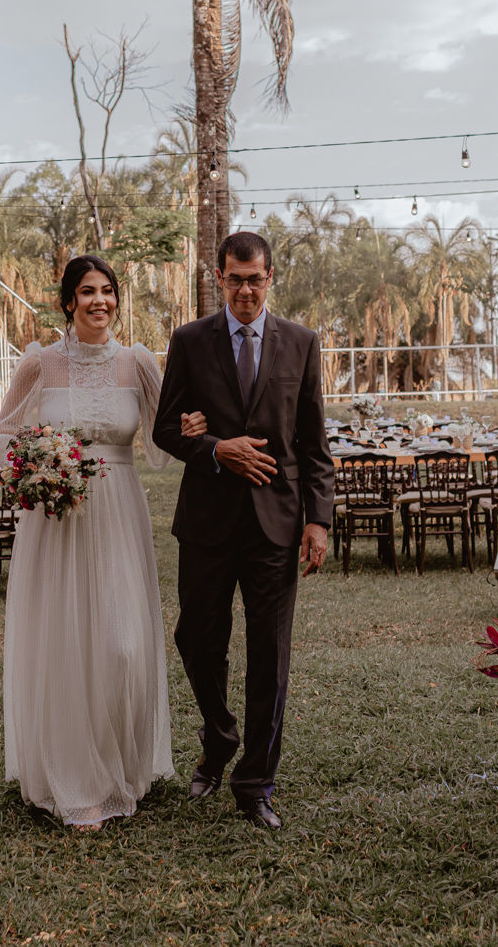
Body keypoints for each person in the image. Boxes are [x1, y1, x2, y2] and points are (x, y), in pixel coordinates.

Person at [152, 231, 333, 830]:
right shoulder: (189, 340)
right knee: (194, 639)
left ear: (271, 277)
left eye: (256, 279)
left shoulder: (302, 344)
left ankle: (256, 782)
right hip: (206, 522)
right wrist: (213, 449)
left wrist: (318, 520)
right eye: (235, 279)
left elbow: (313, 445)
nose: (246, 289)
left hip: (275, 525)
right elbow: (165, 430)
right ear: (219, 279)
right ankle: (221, 733)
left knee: (269, 657)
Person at [0, 255, 174, 830]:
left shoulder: (137, 361)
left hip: (119, 510)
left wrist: (191, 428)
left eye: (109, 291)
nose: (101, 301)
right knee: (68, 642)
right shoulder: (40, 363)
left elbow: (164, 439)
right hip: (58, 519)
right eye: (88, 292)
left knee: (123, 644)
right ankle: (78, 782)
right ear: (68, 302)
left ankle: (121, 763)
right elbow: (2, 436)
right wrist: (36, 469)